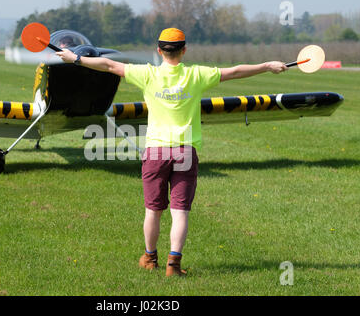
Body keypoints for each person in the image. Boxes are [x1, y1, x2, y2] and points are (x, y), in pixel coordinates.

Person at [56, 28, 288, 277]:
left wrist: (76, 59)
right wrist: (267, 65)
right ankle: (173, 265)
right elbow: (235, 71)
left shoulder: (147, 74)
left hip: (156, 151)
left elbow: (109, 65)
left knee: (153, 210)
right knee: (180, 212)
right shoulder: (197, 75)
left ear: (159, 51)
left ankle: (149, 257)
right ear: (184, 50)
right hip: (185, 151)